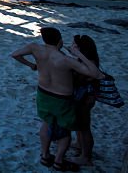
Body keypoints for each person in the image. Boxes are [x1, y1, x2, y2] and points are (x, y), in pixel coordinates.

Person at [12, 27, 102, 171]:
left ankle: (45, 155)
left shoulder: (35, 48)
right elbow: (96, 74)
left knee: (46, 124)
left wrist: (31, 65)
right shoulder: (66, 60)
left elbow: (15, 54)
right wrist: (77, 53)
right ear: (60, 40)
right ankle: (59, 161)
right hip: (61, 98)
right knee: (64, 132)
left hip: (43, 94)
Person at [70, 35, 101, 167]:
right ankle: (79, 144)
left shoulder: (90, 63)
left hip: (84, 98)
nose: (72, 46)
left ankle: (86, 157)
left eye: (74, 45)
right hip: (82, 97)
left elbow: (85, 77)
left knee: (84, 127)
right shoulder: (86, 60)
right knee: (79, 124)